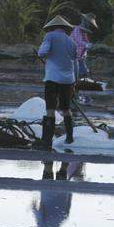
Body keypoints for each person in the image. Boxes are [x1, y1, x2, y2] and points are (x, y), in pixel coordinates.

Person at [34, 15, 78, 150]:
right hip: (68, 80)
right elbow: (74, 58)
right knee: (66, 109)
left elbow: (42, 52)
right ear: (65, 28)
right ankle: (69, 138)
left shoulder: (50, 36)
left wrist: (43, 54)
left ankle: (47, 141)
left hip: (53, 77)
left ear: (52, 27)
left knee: (50, 109)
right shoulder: (72, 42)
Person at [70, 13, 98, 79]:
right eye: (88, 22)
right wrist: (87, 45)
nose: (88, 24)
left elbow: (86, 44)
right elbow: (78, 41)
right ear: (84, 20)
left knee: (84, 73)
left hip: (80, 57)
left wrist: (89, 46)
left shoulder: (84, 32)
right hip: (74, 57)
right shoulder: (77, 30)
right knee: (82, 73)